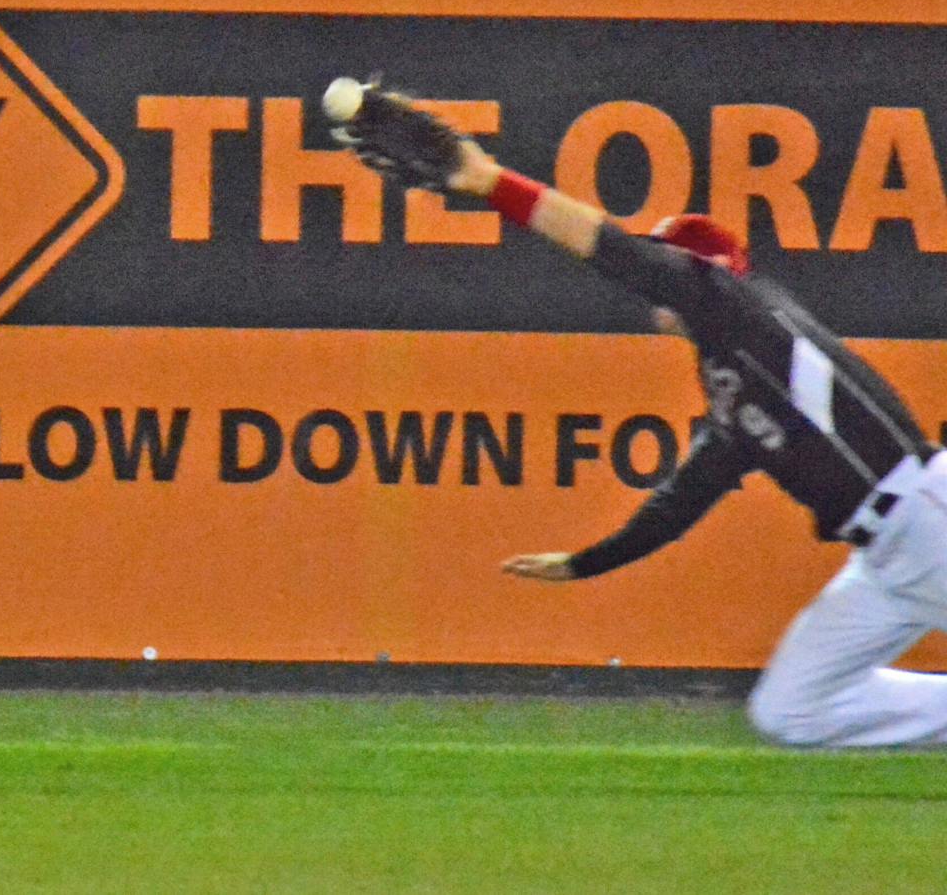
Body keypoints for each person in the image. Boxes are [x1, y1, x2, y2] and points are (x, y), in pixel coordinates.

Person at [335, 84, 947, 747]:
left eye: (674, 259)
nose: (662, 271)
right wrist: (586, 563)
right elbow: (680, 502)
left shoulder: (741, 311)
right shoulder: (733, 376)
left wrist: (486, 180)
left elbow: (610, 250)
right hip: (885, 560)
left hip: (927, 519)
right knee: (792, 712)